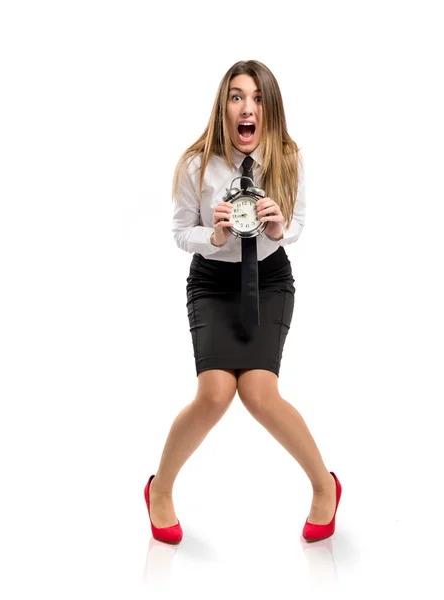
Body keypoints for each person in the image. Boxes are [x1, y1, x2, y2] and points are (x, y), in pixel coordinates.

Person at [144, 60, 341, 544]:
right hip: (211, 282)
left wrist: (279, 228)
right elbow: (178, 232)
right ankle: (159, 491)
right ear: (223, 106)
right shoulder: (197, 163)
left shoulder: (288, 158)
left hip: (270, 280)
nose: (246, 107)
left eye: (256, 98)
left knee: (258, 394)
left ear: (269, 109)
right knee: (214, 394)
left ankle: (325, 487)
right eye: (236, 97)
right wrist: (211, 234)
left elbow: (297, 224)